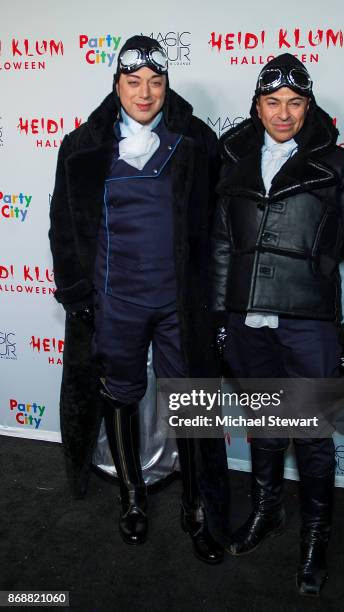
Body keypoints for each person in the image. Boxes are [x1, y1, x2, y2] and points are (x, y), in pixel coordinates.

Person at [210, 53, 344, 594]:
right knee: (265, 427)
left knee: (311, 436)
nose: (283, 113)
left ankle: (316, 537)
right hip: (246, 322)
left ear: (309, 107)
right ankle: (268, 512)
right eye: (273, 102)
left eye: (295, 103)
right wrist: (219, 313)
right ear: (257, 106)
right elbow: (221, 244)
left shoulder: (339, 166)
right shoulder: (233, 158)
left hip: (308, 322)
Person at [49, 35, 228, 564]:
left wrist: (213, 297)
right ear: (117, 84)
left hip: (179, 301)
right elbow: (64, 226)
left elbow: (218, 225)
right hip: (116, 300)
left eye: (155, 81)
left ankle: (196, 510)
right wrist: (78, 292)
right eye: (134, 82)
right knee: (120, 395)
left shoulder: (195, 141)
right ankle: (132, 498)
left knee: (191, 405)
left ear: (166, 84)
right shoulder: (81, 146)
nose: (145, 93)